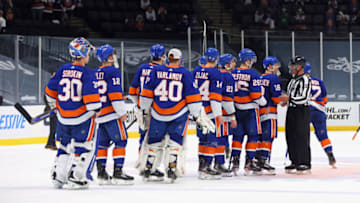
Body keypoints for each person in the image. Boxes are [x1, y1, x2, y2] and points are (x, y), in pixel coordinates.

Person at [140, 48, 212, 183]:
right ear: (179, 59)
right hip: (178, 114)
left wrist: (144, 109)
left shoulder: (156, 70)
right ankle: (172, 169)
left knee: (154, 143)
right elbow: (192, 96)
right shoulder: (185, 73)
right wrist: (196, 114)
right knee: (175, 142)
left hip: (157, 112)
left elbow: (147, 91)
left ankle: (149, 168)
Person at [45, 37, 101, 189]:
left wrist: (54, 105)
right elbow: (93, 102)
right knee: (83, 146)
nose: (89, 55)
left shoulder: (62, 69)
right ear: (82, 53)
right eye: (88, 52)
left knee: (64, 146)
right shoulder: (87, 73)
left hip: (63, 118)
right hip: (82, 118)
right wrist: (97, 110)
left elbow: (50, 93)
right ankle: (76, 177)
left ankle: (59, 176)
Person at [94, 44, 134, 185]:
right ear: (109, 57)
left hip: (99, 115)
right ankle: (118, 172)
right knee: (121, 141)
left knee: (102, 145)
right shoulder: (113, 71)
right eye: (112, 54)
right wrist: (122, 112)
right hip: (112, 114)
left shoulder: (95, 72)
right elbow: (115, 94)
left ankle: (101, 173)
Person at [128, 44, 166, 181]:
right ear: (162, 55)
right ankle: (151, 167)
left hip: (142, 109)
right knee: (155, 140)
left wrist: (139, 105)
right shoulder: (163, 70)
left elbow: (132, 90)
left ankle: (142, 165)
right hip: (157, 110)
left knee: (142, 138)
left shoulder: (142, 68)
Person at [230, 48, 266, 176]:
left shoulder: (232, 73)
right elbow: (256, 95)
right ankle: (249, 162)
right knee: (253, 136)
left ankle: (234, 161)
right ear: (248, 60)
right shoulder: (253, 74)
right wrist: (264, 103)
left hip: (235, 109)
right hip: (250, 110)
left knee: (237, 136)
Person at [193, 48, 223, 180]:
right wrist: (218, 114)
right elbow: (215, 97)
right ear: (216, 59)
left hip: (198, 110)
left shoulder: (196, 70)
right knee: (211, 140)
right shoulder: (216, 73)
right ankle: (207, 167)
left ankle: (201, 167)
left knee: (202, 140)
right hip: (210, 112)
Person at [281, 56, 312, 175]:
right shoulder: (293, 80)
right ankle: (294, 160)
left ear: (301, 67)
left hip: (301, 111)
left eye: (294, 65)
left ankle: (304, 162)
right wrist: (287, 101)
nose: (292, 68)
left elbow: (303, 98)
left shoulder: (305, 80)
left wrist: (289, 99)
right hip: (292, 110)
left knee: (301, 135)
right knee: (290, 135)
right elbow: (291, 96)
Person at [304, 62, 336, 168]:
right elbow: (325, 99)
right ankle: (330, 154)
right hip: (319, 111)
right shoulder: (319, 81)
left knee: (301, 135)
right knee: (323, 135)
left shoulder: (299, 81)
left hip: (305, 110)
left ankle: (301, 159)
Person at [256, 56, 282, 175]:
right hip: (270, 112)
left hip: (259, 112)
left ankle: (257, 160)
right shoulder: (274, 78)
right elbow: (276, 99)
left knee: (260, 137)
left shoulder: (259, 77)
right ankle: (264, 160)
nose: (277, 67)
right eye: (275, 65)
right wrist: (285, 99)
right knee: (268, 137)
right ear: (270, 66)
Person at [214, 54, 237, 177]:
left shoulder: (216, 74)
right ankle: (219, 163)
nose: (234, 64)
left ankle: (215, 161)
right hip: (223, 113)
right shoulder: (227, 76)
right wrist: (232, 116)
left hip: (213, 111)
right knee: (221, 138)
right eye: (232, 62)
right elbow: (227, 99)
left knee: (217, 138)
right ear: (226, 64)